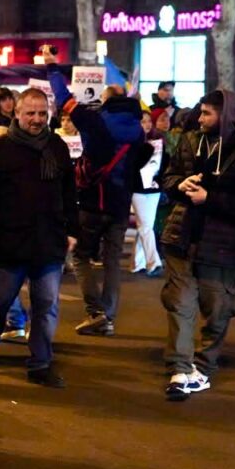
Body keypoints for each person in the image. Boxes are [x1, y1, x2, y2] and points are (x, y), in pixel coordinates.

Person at [0, 88, 79, 387]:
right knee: (0, 300)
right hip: (10, 240)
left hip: (49, 240)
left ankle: (40, 363)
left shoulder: (57, 147)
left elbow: (69, 192)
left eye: (42, 114)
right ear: (16, 114)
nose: (36, 119)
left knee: (46, 304)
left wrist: (72, 230)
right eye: (30, 113)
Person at [160, 89, 235, 401]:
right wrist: (180, 184)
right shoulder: (189, 141)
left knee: (217, 308)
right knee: (180, 303)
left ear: (227, 116)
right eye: (200, 112)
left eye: (207, 113)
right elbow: (167, 176)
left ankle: (203, 367)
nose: (199, 118)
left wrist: (211, 199)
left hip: (222, 244)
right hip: (181, 236)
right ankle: (180, 369)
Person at [48, 50, 148, 338]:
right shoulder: (137, 130)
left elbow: (63, 97)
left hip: (92, 202)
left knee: (80, 256)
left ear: (106, 103)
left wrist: (52, 67)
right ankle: (110, 316)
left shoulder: (96, 121)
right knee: (113, 260)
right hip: (120, 206)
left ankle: (96, 312)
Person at [132, 110, 166, 277]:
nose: (146, 125)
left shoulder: (159, 142)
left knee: (145, 226)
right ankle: (153, 262)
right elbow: (134, 164)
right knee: (145, 226)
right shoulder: (132, 143)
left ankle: (137, 263)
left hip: (154, 189)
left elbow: (165, 164)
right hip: (137, 188)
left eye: (148, 121)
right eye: (142, 121)